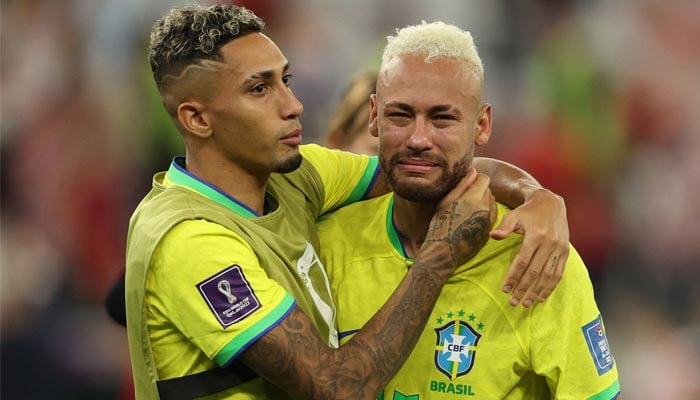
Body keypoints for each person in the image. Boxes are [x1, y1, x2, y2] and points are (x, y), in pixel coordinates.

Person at [125, 4, 569, 399]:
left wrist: (539, 196)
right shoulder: (189, 241)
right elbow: (338, 389)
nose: (294, 105)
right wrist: (439, 255)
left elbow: (423, 166)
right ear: (197, 118)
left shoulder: (296, 178)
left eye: (286, 80)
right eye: (259, 89)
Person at [319, 21, 620, 399]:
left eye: (442, 118)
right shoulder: (325, 245)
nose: (418, 138)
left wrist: (542, 197)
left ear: (482, 125)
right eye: (400, 115)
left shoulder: (538, 258)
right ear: (374, 116)